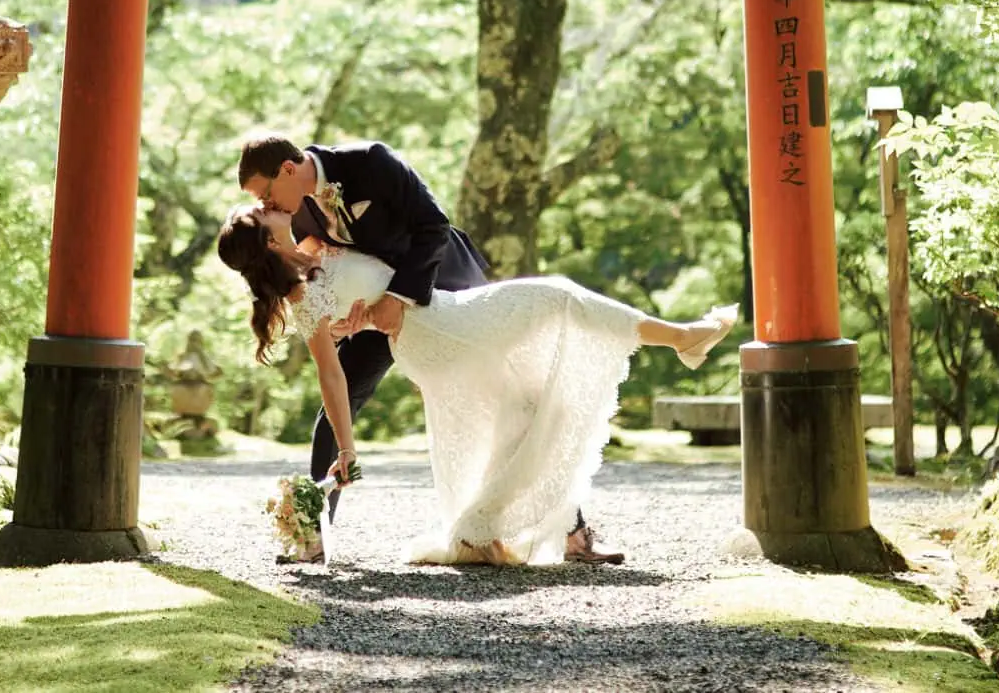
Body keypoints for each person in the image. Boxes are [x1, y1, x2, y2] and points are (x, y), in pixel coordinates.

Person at [221, 136, 737, 566]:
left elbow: (433, 226)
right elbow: (320, 282)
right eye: (260, 204)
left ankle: (570, 533)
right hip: (404, 326)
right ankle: (315, 533)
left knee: (524, 397)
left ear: (289, 169)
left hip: (439, 288)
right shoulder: (295, 221)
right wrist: (355, 317)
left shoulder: (369, 165)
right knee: (341, 404)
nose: (265, 205)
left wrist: (390, 301)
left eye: (265, 193)